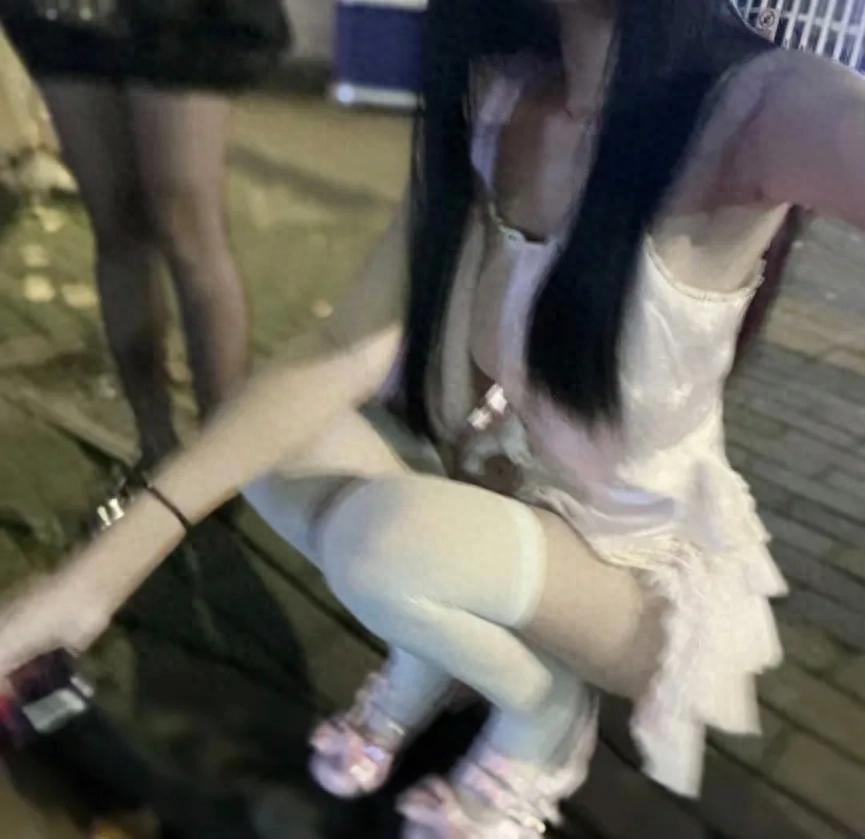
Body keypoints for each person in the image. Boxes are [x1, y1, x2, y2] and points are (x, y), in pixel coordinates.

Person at [1, 0, 864, 835]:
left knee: (382, 543)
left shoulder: (760, 107)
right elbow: (342, 347)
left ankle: (541, 710)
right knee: (266, 441)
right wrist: (93, 583)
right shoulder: (503, 97)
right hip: (501, 505)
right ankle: (433, 653)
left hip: (632, 576)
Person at [3, 3, 289, 482]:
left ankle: (224, 467)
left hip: (182, 17)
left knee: (187, 227)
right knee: (117, 223)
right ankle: (154, 448)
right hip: (68, 15)